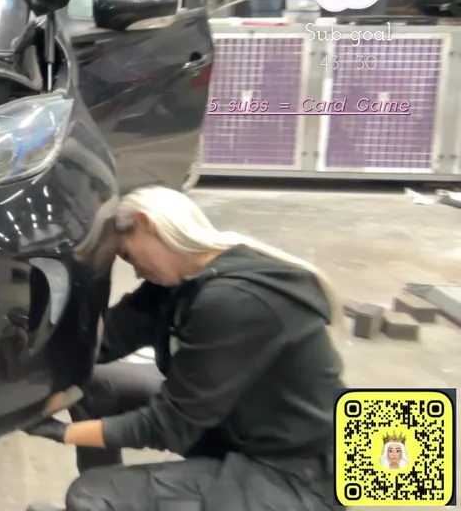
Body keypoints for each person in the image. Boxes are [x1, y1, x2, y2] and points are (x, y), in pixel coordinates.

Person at [25, 186, 345, 511]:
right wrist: (31, 381)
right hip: (238, 429)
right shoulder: (176, 284)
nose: (135, 271)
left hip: (303, 475)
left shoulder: (235, 301)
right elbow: (102, 342)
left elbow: (171, 426)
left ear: (146, 224)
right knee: (94, 386)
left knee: (90, 493)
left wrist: (64, 432)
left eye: (129, 256)